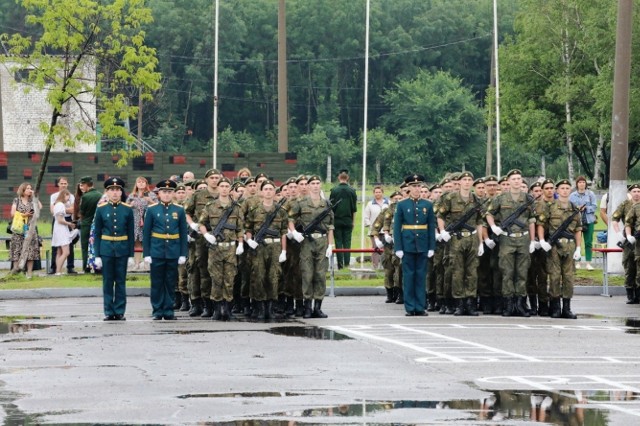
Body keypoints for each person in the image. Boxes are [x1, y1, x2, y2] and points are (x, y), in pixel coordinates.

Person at [485, 169, 537, 317]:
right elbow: (489, 213)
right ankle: (508, 305)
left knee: (522, 273)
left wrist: (533, 241)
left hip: (523, 238)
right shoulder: (500, 198)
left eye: (519, 178)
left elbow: (532, 220)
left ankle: (520, 305)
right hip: (506, 239)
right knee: (507, 272)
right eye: (513, 179)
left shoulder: (528, 199)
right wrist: (493, 226)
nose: (516, 181)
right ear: (508, 181)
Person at [437, 171, 484, 316]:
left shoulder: (476, 199)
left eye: (470, 180)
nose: (467, 182)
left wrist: (481, 242)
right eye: (465, 179)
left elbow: (479, 222)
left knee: (472, 272)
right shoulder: (450, 198)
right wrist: (442, 231)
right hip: (456, 239)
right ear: (460, 182)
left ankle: (470, 303)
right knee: (457, 272)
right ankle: (459, 303)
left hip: (472, 239)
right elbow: (440, 215)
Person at [289, 175, 335, 318]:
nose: (315, 186)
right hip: (307, 243)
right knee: (307, 275)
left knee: (320, 275)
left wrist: (331, 245)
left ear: (320, 185)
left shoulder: (326, 204)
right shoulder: (301, 203)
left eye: (317, 183)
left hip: (322, 242)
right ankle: (307, 307)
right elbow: (290, 219)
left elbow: (330, 226)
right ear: (308, 186)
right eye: (312, 183)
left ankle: (318, 308)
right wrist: (294, 232)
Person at [199, 177, 244, 321]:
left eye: (227, 186)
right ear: (218, 188)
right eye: (222, 186)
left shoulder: (236, 207)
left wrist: (241, 243)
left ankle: (228, 310)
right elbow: (201, 223)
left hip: (231, 248)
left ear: (230, 189)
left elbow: (240, 228)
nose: (224, 188)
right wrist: (207, 235)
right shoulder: (210, 206)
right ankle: (217, 310)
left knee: (229, 279)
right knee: (216, 279)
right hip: (215, 248)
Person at [143, 179, 188, 320]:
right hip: (157, 250)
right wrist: (147, 253)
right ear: (159, 194)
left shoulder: (179, 210)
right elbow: (146, 232)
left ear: (173, 193)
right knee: (157, 282)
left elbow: (182, 232)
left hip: (173, 251)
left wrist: (183, 253)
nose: (167, 195)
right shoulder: (152, 209)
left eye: (169, 192)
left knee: (170, 282)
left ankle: (168, 310)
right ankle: (157, 310)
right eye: (164, 192)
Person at [537, 179, 582, 319]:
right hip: (554, 246)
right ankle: (555, 307)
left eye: (567, 188)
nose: (564, 190)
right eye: (562, 188)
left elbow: (578, 230)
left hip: (569, 245)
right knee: (555, 276)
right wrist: (542, 240)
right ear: (557, 190)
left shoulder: (575, 209)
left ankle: (567, 308)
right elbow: (541, 224)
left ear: (570, 190)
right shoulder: (550, 207)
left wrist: (578, 248)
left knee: (568, 277)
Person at [244, 180, 288, 320]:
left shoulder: (281, 211)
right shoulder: (255, 210)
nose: (268, 191)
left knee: (274, 277)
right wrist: (249, 240)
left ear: (274, 192)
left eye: (271, 189)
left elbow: (283, 232)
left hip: (275, 246)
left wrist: (284, 251)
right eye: (266, 189)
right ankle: (260, 308)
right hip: (259, 246)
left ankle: (270, 308)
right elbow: (248, 228)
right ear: (261, 192)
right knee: (259, 276)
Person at [393, 174, 436, 316]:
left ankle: (420, 306)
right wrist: (398, 247)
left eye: (419, 186)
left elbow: (431, 226)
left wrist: (431, 247)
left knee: (421, 276)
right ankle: (410, 307)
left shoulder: (427, 205)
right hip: (407, 244)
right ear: (408, 188)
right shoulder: (402, 205)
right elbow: (397, 228)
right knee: (409, 276)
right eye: (414, 186)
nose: (417, 189)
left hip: (423, 244)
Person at [93, 177, 135, 321]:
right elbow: (97, 233)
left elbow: (130, 233)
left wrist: (131, 255)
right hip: (106, 250)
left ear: (121, 192)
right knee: (107, 282)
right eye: (112, 190)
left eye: (118, 190)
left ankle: (120, 311)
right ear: (107, 192)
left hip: (122, 249)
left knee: (121, 281)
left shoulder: (127, 209)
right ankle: (109, 311)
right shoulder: (101, 209)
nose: (115, 193)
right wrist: (97, 255)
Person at [184, 168, 220, 317]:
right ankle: (204, 304)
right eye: (212, 178)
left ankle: (217, 303)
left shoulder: (224, 195)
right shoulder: (198, 195)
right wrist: (192, 224)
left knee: (217, 272)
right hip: (201, 238)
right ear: (206, 180)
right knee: (202, 270)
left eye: (217, 177)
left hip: (219, 237)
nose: (215, 180)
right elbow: (186, 212)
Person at [9, 182, 42, 278]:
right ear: (22, 190)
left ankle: (29, 272)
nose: (29, 190)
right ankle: (16, 272)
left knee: (31, 250)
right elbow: (12, 213)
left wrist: (34, 195)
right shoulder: (17, 200)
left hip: (30, 228)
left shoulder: (32, 201)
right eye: (27, 188)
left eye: (30, 188)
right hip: (19, 228)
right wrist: (24, 214)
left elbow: (40, 207)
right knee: (17, 250)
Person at [126, 176, 158, 271]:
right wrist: (130, 205)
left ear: (146, 184)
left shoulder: (151, 194)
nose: (141, 184)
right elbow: (125, 207)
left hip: (148, 222)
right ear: (136, 184)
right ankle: (136, 264)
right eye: (139, 182)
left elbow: (158, 206)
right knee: (137, 243)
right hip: (135, 222)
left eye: (143, 182)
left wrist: (150, 201)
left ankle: (147, 264)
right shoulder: (132, 195)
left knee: (148, 242)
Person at [329, 169, 357, 269]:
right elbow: (354, 209)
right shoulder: (352, 191)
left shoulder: (334, 190)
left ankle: (340, 265)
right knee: (347, 243)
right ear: (347, 178)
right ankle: (347, 264)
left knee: (338, 242)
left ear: (339, 178)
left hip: (337, 220)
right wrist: (353, 222)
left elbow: (330, 208)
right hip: (348, 219)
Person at [49, 177, 77, 274]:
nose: (64, 185)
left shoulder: (72, 196)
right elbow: (53, 211)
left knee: (70, 243)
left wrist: (63, 210)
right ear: (58, 184)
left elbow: (73, 209)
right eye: (62, 183)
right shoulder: (54, 196)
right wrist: (65, 209)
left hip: (68, 218)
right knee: (57, 246)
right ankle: (54, 267)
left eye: (65, 183)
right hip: (59, 220)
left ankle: (70, 267)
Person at [569, 176, 597, 270]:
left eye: (583, 182)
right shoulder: (572, 195)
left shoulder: (590, 194)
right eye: (580, 182)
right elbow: (569, 208)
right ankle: (578, 261)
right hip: (576, 221)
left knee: (588, 242)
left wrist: (586, 208)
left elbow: (594, 206)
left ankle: (588, 263)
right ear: (577, 184)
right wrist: (576, 208)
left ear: (586, 184)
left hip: (588, 220)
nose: (582, 184)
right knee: (577, 241)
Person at [78, 176, 102, 273]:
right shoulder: (100, 195)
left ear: (87, 185)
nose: (81, 187)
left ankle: (86, 267)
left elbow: (82, 212)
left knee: (85, 247)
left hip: (87, 224)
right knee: (97, 246)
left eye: (82, 185)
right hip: (97, 224)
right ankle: (98, 267)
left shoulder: (85, 196)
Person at [363, 186, 388, 269]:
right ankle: (375, 266)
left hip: (385, 231)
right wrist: (371, 226)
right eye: (376, 192)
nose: (378, 193)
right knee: (375, 248)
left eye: (379, 192)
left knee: (386, 248)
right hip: (374, 232)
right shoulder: (370, 204)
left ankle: (385, 266)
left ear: (382, 193)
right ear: (374, 193)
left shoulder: (388, 203)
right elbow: (366, 217)